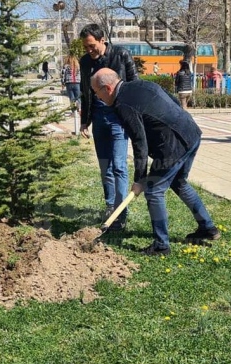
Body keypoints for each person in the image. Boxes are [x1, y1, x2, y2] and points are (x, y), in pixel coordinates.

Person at [90, 68, 220, 255]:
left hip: (172, 146)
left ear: (108, 88)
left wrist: (140, 180)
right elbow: (174, 101)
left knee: (153, 191)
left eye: (97, 92)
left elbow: (139, 142)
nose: (98, 97)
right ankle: (207, 227)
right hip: (190, 132)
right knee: (179, 182)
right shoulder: (140, 84)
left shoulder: (122, 105)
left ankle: (161, 245)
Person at [78, 23, 138, 229]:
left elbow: (134, 86)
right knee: (106, 167)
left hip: (118, 118)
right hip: (99, 119)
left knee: (119, 167)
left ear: (102, 40)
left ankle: (121, 212)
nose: (89, 50)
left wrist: (133, 117)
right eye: (85, 47)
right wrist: (85, 120)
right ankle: (110, 205)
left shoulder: (121, 55)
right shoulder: (85, 62)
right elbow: (85, 92)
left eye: (92, 45)